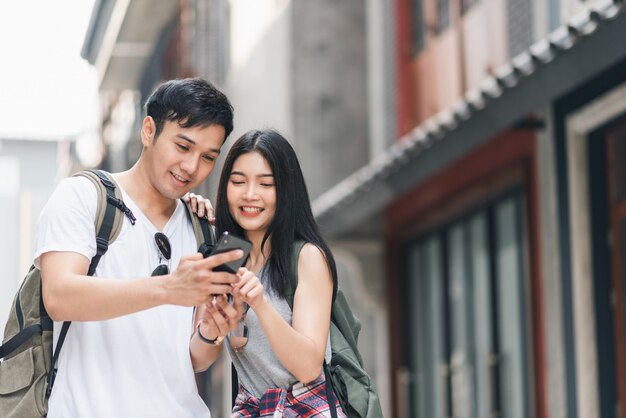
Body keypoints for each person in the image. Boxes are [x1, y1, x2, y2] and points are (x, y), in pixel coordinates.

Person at [37, 78, 243, 417]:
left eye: (208, 156)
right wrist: (168, 288)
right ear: (148, 131)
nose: (192, 167)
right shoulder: (83, 197)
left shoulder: (203, 227)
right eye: (182, 146)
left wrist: (211, 331)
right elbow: (59, 297)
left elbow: (194, 361)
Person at [201, 129, 346, 416]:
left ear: (285, 190)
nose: (250, 195)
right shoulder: (226, 255)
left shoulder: (306, 257)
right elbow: (235, 345)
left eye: (266, 184)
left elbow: (308, 367)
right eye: (238, 181)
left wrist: (260, 304)